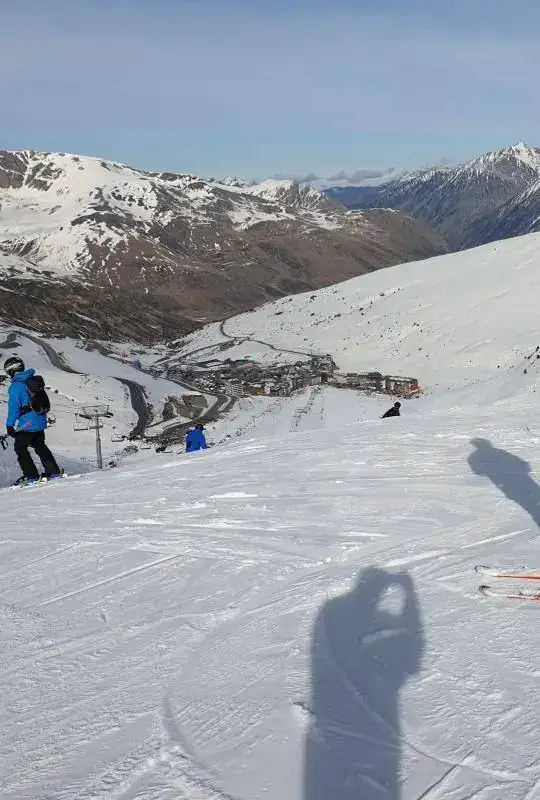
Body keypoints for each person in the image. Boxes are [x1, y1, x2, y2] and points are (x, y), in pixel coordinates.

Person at [4, 356, 62, 485]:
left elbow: (14, 407)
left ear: (12, 370)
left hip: (28, 423)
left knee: (20, 447)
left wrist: (10, 425)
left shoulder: (16, 386)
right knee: (40, 445)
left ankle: (31, 476)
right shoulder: (31, 380)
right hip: (40, 419)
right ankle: (53, 471)